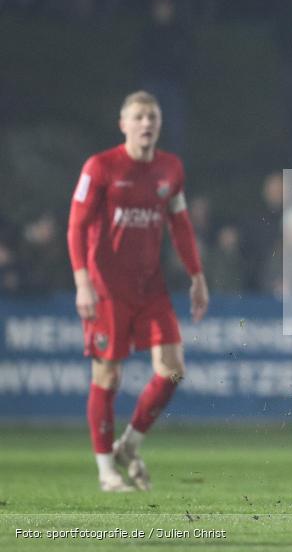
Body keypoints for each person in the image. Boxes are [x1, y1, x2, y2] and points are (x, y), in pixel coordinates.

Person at [67, 91, 209, 492]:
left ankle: (129, 444)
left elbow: (179, 224)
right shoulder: (100, 167)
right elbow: (76, 227)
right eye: (139, 117)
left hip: (151, 287)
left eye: (153, 117)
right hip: (106, 288)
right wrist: (82, 283)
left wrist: (197, 276)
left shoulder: (170, 169)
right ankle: (106, 471)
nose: (147, 124)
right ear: (123, 124)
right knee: (108, 374)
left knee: (173, 368)